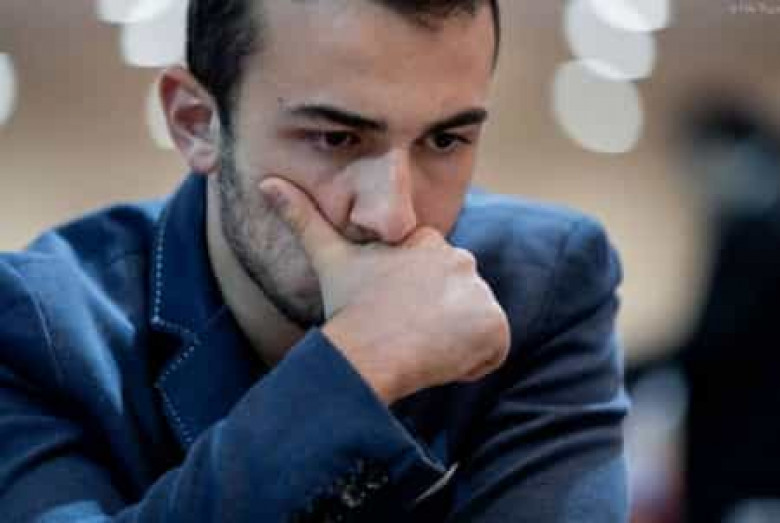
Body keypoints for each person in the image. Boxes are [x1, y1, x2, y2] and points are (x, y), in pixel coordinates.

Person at [0, 0, 629, 521]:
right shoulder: (40, 330)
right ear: (197, 123)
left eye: (444, 140)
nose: (392, 216)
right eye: (336, 138)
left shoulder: (543, 286)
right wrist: (358, 366)